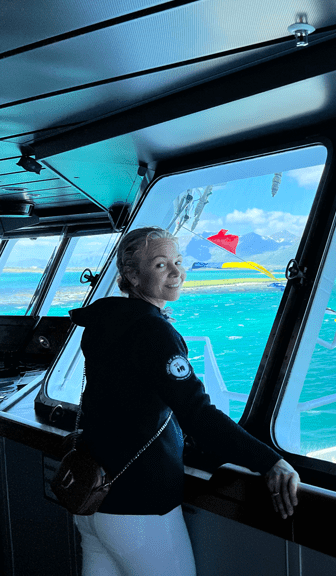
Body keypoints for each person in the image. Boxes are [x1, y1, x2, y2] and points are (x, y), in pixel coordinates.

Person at [69, 227, 299, 576]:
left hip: (92, 499)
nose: (177, 272)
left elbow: (129, 395)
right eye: (161, 265)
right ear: (132, 275)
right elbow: (197, 414)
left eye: (178, 261)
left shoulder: (104, 322)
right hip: (139, 505)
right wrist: (270, 461)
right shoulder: (153, 331)